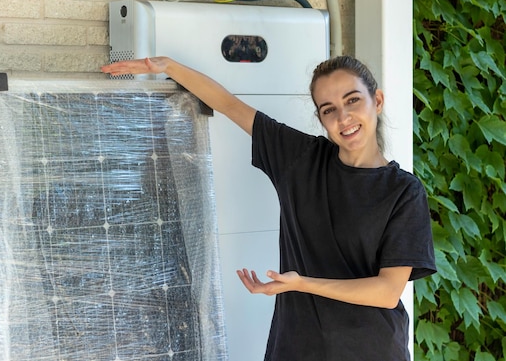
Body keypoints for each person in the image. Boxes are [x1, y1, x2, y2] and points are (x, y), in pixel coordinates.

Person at [101, 55, 436, 361]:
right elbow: (230, 105)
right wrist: (168, 68)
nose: (343, 117)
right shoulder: (301, 159)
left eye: (353, 100)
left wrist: (302, 283)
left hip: (370, 350)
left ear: (376, 100)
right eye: (328, 108)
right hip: (296, 347)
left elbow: (387, 292)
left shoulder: (404, 192)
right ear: (320, 118)